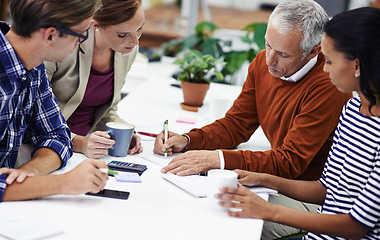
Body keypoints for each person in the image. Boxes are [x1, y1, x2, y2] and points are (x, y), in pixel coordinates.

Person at [154, 0, 351, 238]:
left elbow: (289, 162)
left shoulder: (328, 85)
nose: (270, 60)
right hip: (271, 182)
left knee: (224, 222)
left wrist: (217, 159)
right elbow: (236, 125)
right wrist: (188, 139)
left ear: (313, 51)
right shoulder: (262, 63)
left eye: (283, 54)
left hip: (307, 196)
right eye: (268, 45)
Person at [216, 7, 380, 240]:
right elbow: (327, 189)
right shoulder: (352, 111)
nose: (324, 68)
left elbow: (355, 227)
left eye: (330, 61)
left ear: (357, 65)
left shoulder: (334, 96)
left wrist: (269, 210)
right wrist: (263, 179)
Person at [0, 0, 108, 202]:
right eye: (81, 35)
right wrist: (65, 183)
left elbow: (58, 135)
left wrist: (27, 174)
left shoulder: (34, 66)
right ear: (50, 35)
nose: (82, 43)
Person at [44, 0, 144, 159]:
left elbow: (107, 110)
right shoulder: (63, 45)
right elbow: (33, 114)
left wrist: (123, 131)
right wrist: (79, 142)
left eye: (139, 29)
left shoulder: (127, 50)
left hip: (90, 148)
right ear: (95, 25)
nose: (135, 41)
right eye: (122, 34)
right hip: (50, 146)